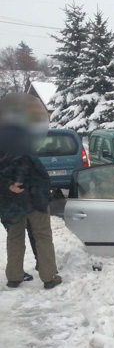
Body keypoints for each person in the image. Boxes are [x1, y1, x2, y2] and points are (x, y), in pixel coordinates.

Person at [0, 123, 61, 289]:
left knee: (14, 237)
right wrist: (15, 183)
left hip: (9, 203)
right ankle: (49, 276)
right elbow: (24, 166)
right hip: (34, 199)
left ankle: (14, 276)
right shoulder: (22, 150)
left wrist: (7, 186)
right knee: (42, 236)